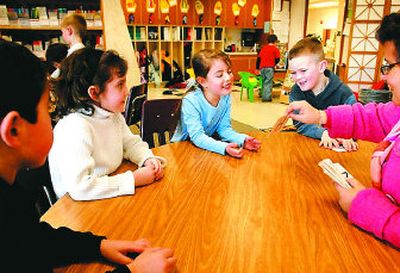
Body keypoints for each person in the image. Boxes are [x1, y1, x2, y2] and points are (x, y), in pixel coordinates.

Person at [0, 39, 176, 273]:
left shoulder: (12, 203)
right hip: (82, 210)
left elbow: (32, 240)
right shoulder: (75, 126)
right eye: (46, 108)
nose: (54, 118)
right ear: (13, 130)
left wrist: (98, 246)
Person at [286, 13, 400, 248]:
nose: (383, 76)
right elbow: (375, 116)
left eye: (388, 66)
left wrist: (364, 204)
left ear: (322, 67)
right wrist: (321, 117)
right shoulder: (395, 111)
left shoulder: (343, 91)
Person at [49, 47, 164, 201]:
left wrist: (147, 158)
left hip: (105, 195)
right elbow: (80, 188)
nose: (127, 92)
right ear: (94, 93)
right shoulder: (75, 127)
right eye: (120, 85)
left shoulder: (112, 115)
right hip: (76, 210)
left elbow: (130, 143)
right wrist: (133, 179)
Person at [171, 49, 261, 158]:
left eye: (229, 72)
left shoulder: (225, 96)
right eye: (219, 75)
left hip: (203, 149)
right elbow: (197, 137)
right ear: (203, 81)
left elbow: (224, 129)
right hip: (182, 151)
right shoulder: (191, 101)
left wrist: (243, 140)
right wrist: (223, 147)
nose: (228, 78)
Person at [288, 37, 358, 151]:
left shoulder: (344, 93)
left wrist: (347, 135)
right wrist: (323, 133)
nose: (298, 77)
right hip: (309, 146)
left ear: (322, 66)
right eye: (294, 72)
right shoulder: (296, 92)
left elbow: (356, 121)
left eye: (303, 70)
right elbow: (300, 124)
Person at [51, 13, 87, 78]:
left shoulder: (73, 54)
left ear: (69, 30)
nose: (62, 35)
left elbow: (57, 76)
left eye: (62, 32)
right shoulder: (87, 52)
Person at [256, 34, 280, 102]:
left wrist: (257, 68)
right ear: (275, 41)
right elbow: (277, 59)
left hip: (262, 67)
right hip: (269, 67)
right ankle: (266, 98)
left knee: (264, 82)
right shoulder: (275, 49)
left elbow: (259, 59)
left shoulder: (264, 48)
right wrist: (274, 64)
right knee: (268, 82)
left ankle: (263, 94)